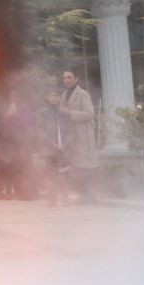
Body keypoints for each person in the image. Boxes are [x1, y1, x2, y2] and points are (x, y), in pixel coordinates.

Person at [57, 68, 97, 202]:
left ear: (76, 79)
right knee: (76, 167)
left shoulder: (83, 94)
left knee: (85, 167)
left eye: (69, 77)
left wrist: (70, 113)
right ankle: (82, 195)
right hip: (71, 136)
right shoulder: (64, 94)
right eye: (64, 78)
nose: (66, 80)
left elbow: (90, 114)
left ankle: (89, 196)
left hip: (83, 136)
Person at [35, 87, 68, 206]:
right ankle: (52, 199)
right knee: (51, 173)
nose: (54, 98)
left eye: (56, 95)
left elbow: (69, 128)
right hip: (49, 148)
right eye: (51, 95)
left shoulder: (63, 111)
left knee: (63, 173)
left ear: (59, 98)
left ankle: (65, 198)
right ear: (48, 98)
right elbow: (39, 130)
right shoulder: (43, 112)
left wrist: (66, 143)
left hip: (63, 147)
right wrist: (49, 141)